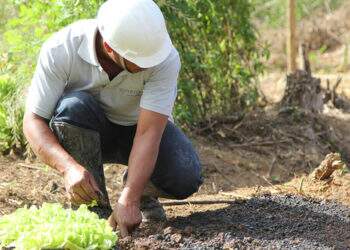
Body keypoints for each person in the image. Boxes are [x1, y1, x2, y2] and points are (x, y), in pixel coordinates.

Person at [23, 0, 203, 237]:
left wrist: (131, 195)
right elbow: (33, 121)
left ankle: (142, 194)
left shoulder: (164, 57)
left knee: (185, 175)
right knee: (72, 106)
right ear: (109, 48)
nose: (151, 64)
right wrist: (67, 168)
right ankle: (92, 208)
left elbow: (148, 132)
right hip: (88, 129)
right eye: (141, 62)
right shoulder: (61, 49)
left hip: (140, 130)